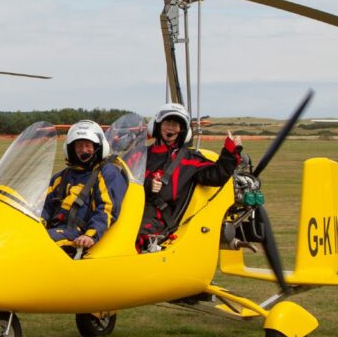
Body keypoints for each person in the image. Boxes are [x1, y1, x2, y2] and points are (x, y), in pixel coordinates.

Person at [137, 103, 241, 253]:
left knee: (139, 233)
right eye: (167, 122)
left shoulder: (190, 159)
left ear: (182, 130)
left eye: (176, 124)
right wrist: (148, 184)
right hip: (131, 207)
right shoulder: (140, 155)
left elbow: (215, 175)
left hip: (157, 218)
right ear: (158, 125)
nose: (171, 128)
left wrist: (230, 153)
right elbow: (124, 177)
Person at [41, 120, 127, 255]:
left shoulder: (106, 173)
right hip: (55, 229)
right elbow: (44, 206)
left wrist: (91, 234)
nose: (83, 150)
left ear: (97, 147)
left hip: (78, 234)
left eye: (88, 145)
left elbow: (107, 208)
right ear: (71, 149)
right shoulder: (61, 176)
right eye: (79, 146)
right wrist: (36, 225)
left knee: (40, 243)